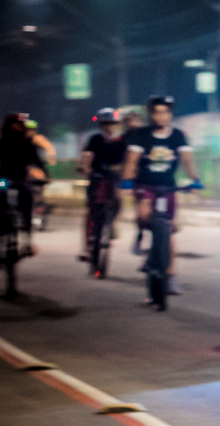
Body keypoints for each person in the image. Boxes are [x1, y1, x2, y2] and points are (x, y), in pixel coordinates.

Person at [119, 95, 202, 295]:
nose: (161, 116)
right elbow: (132, 160)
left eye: (165, 112)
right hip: (145, 185)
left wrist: (195, 180)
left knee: (168, 230)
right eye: (157, 112)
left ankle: (170, 275)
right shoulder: (141, 135)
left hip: (167, 187)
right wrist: (128, 180)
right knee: (145, 216)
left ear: (170, 114)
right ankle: (144, 238)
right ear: (151, 114)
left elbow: (187, 161)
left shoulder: (178, 136)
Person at [0, 113, 45, 267]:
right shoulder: (0, 143)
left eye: (19, 124)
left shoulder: (28, 144)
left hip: (22, 182)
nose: (17, 126)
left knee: (28, 206)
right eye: (14, 123)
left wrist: (44, 177)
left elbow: (39, 163)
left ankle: (27, 243)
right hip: (4, 182)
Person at [77, 108, 127, 262]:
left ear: (117, 124)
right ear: (100, 124)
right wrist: (85, 168)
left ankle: (112, 222)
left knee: (119, 201)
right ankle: (87, 249)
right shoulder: (94, 139)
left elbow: (128, 160)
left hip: (115, 180)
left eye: (112, 123)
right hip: (97, 179)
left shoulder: (122, 142)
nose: (109, 127)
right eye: (105, 123)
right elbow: (87, 157)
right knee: (91, 212)